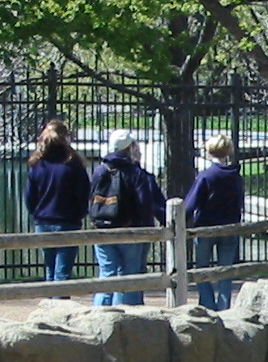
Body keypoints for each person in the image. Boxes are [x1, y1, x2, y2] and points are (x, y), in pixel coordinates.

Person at [89, 130, 164, 306]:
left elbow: (91, 198)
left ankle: (99, 316)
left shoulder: (100, 170)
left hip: (103, 229)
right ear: (130, 148)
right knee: (130, 277)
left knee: (107, 275)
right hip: (130, 231)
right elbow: (144, 204)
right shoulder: (136, 173)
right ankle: (129, 318)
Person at [184, 133, 246, 310]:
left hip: (205, 228)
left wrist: (179, 219)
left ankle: (207, 304)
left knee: (202, 269)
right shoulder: (236, 176)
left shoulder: (206, 176)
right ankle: (224, 306)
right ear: (229, 152)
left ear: (209, 152)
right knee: (226, 271)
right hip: (230, 228)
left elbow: (191, 204)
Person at [24, 120, 90, 282]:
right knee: (63, 272)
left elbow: (29, 197)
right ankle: (60, 304)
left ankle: (50, 304)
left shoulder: (37, 165)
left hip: (43, 222)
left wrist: (37, 213)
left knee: (50, 268)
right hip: (68, 221)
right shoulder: (73, 164)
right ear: (66, 138)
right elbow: (84, 194)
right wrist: (79, 214)